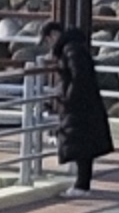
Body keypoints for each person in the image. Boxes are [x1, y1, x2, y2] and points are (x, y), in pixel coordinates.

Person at [49, 18, 114, 192]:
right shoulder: (75, 46)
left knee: (80, 145)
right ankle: (82, 184)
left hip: (79, 106)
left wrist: (68, 97)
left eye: (48, 39)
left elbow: (79, 75)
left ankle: (81, 186)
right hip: (85, 104)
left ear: (53, 35)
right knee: (83, 145)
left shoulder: (71, 49)